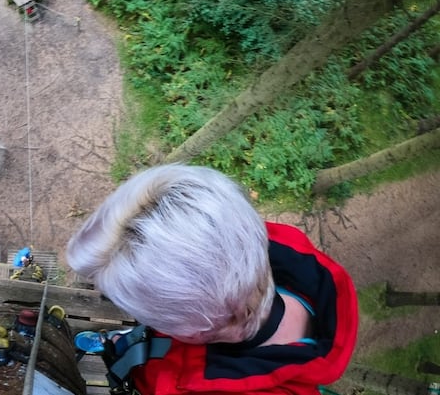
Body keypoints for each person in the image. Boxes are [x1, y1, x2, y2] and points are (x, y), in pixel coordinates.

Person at [66, 164, 357, 394]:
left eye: (153, 318)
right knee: (133, 344)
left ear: (198, 332)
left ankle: (119, 347)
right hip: (169, 352)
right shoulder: (264, 247)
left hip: (156, 373)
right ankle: (122, 345)